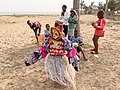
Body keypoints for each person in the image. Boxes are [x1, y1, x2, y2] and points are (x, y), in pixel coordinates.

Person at [24, 22, 80, 90]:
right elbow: (42, 50)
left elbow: (71, 50)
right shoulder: (49, 41)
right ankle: (56, 79)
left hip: (61, 58)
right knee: (53, 69)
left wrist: (74, 60)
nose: (54, 36)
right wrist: (32, 60)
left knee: (62, 70)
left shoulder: (64, 41)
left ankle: (63, 80)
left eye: (56, 33)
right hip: (51, 58)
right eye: (53, 33)